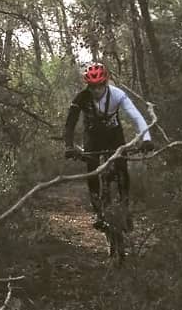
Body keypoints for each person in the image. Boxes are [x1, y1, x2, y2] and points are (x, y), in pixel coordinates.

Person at [63, 62, 153, 228]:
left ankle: (125, 208)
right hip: (92, 137)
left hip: (114, 136)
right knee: (92, 170)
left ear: (106, 83)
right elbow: (70, 124)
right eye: (93, 87)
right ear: (88, 86)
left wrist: (146, 139)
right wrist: (69, 146)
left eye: (100, 86)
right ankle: (98, 211)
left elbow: (137, 117)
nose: (97, 90)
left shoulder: (117, 94)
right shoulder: (81, 98)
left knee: (121, 167)